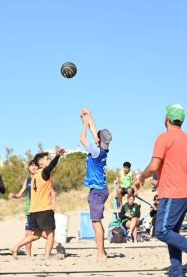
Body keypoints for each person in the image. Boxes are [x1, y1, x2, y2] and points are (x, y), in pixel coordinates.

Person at [136, 104, 187, 276]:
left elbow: (154, 166)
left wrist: (141, 177)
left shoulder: (164, 138)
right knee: (173, 233)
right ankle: (176, 272)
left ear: (167, 119)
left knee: (162, 231)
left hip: (172, 194)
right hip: (186, 195)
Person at [11, 149, 65, 259]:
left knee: (36, 235)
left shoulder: (34, 176)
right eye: (47, 159)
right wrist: (58, 156)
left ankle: (16, 247)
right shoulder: (44, 172)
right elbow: (51, 167)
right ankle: (46, 257)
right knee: (50, 235)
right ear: (41, 163)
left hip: (33, 210)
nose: (49, 160)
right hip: (44, 208)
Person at [79, 108, 112, 260]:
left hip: (98, 191)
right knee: (96, 221)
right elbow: (95, 131)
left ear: (99, 140)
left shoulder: (96, 151)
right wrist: (89, 115)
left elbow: (82, 139)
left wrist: (84, 124)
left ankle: (100, 253)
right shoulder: (104, 150)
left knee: (96, 222)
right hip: (101, 189)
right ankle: (102, 252)